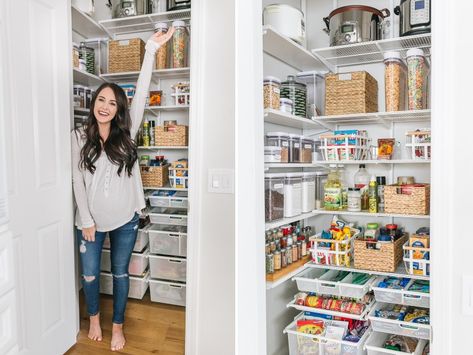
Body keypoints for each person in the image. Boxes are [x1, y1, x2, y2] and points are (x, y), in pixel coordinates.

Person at [71, 28, 175, 351]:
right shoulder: (77, 136)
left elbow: (141, 93)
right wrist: (86, 218)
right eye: (101, 100)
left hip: (126, 220)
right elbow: (77, 179)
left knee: (119, 274)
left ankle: (117, 326)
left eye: (112, 103)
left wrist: (150, 51)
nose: (105, 106)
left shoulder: (126, 135)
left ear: (118, 110)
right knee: (89, 276)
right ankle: (92, 319)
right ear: (93, 104)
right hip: (89, 223)